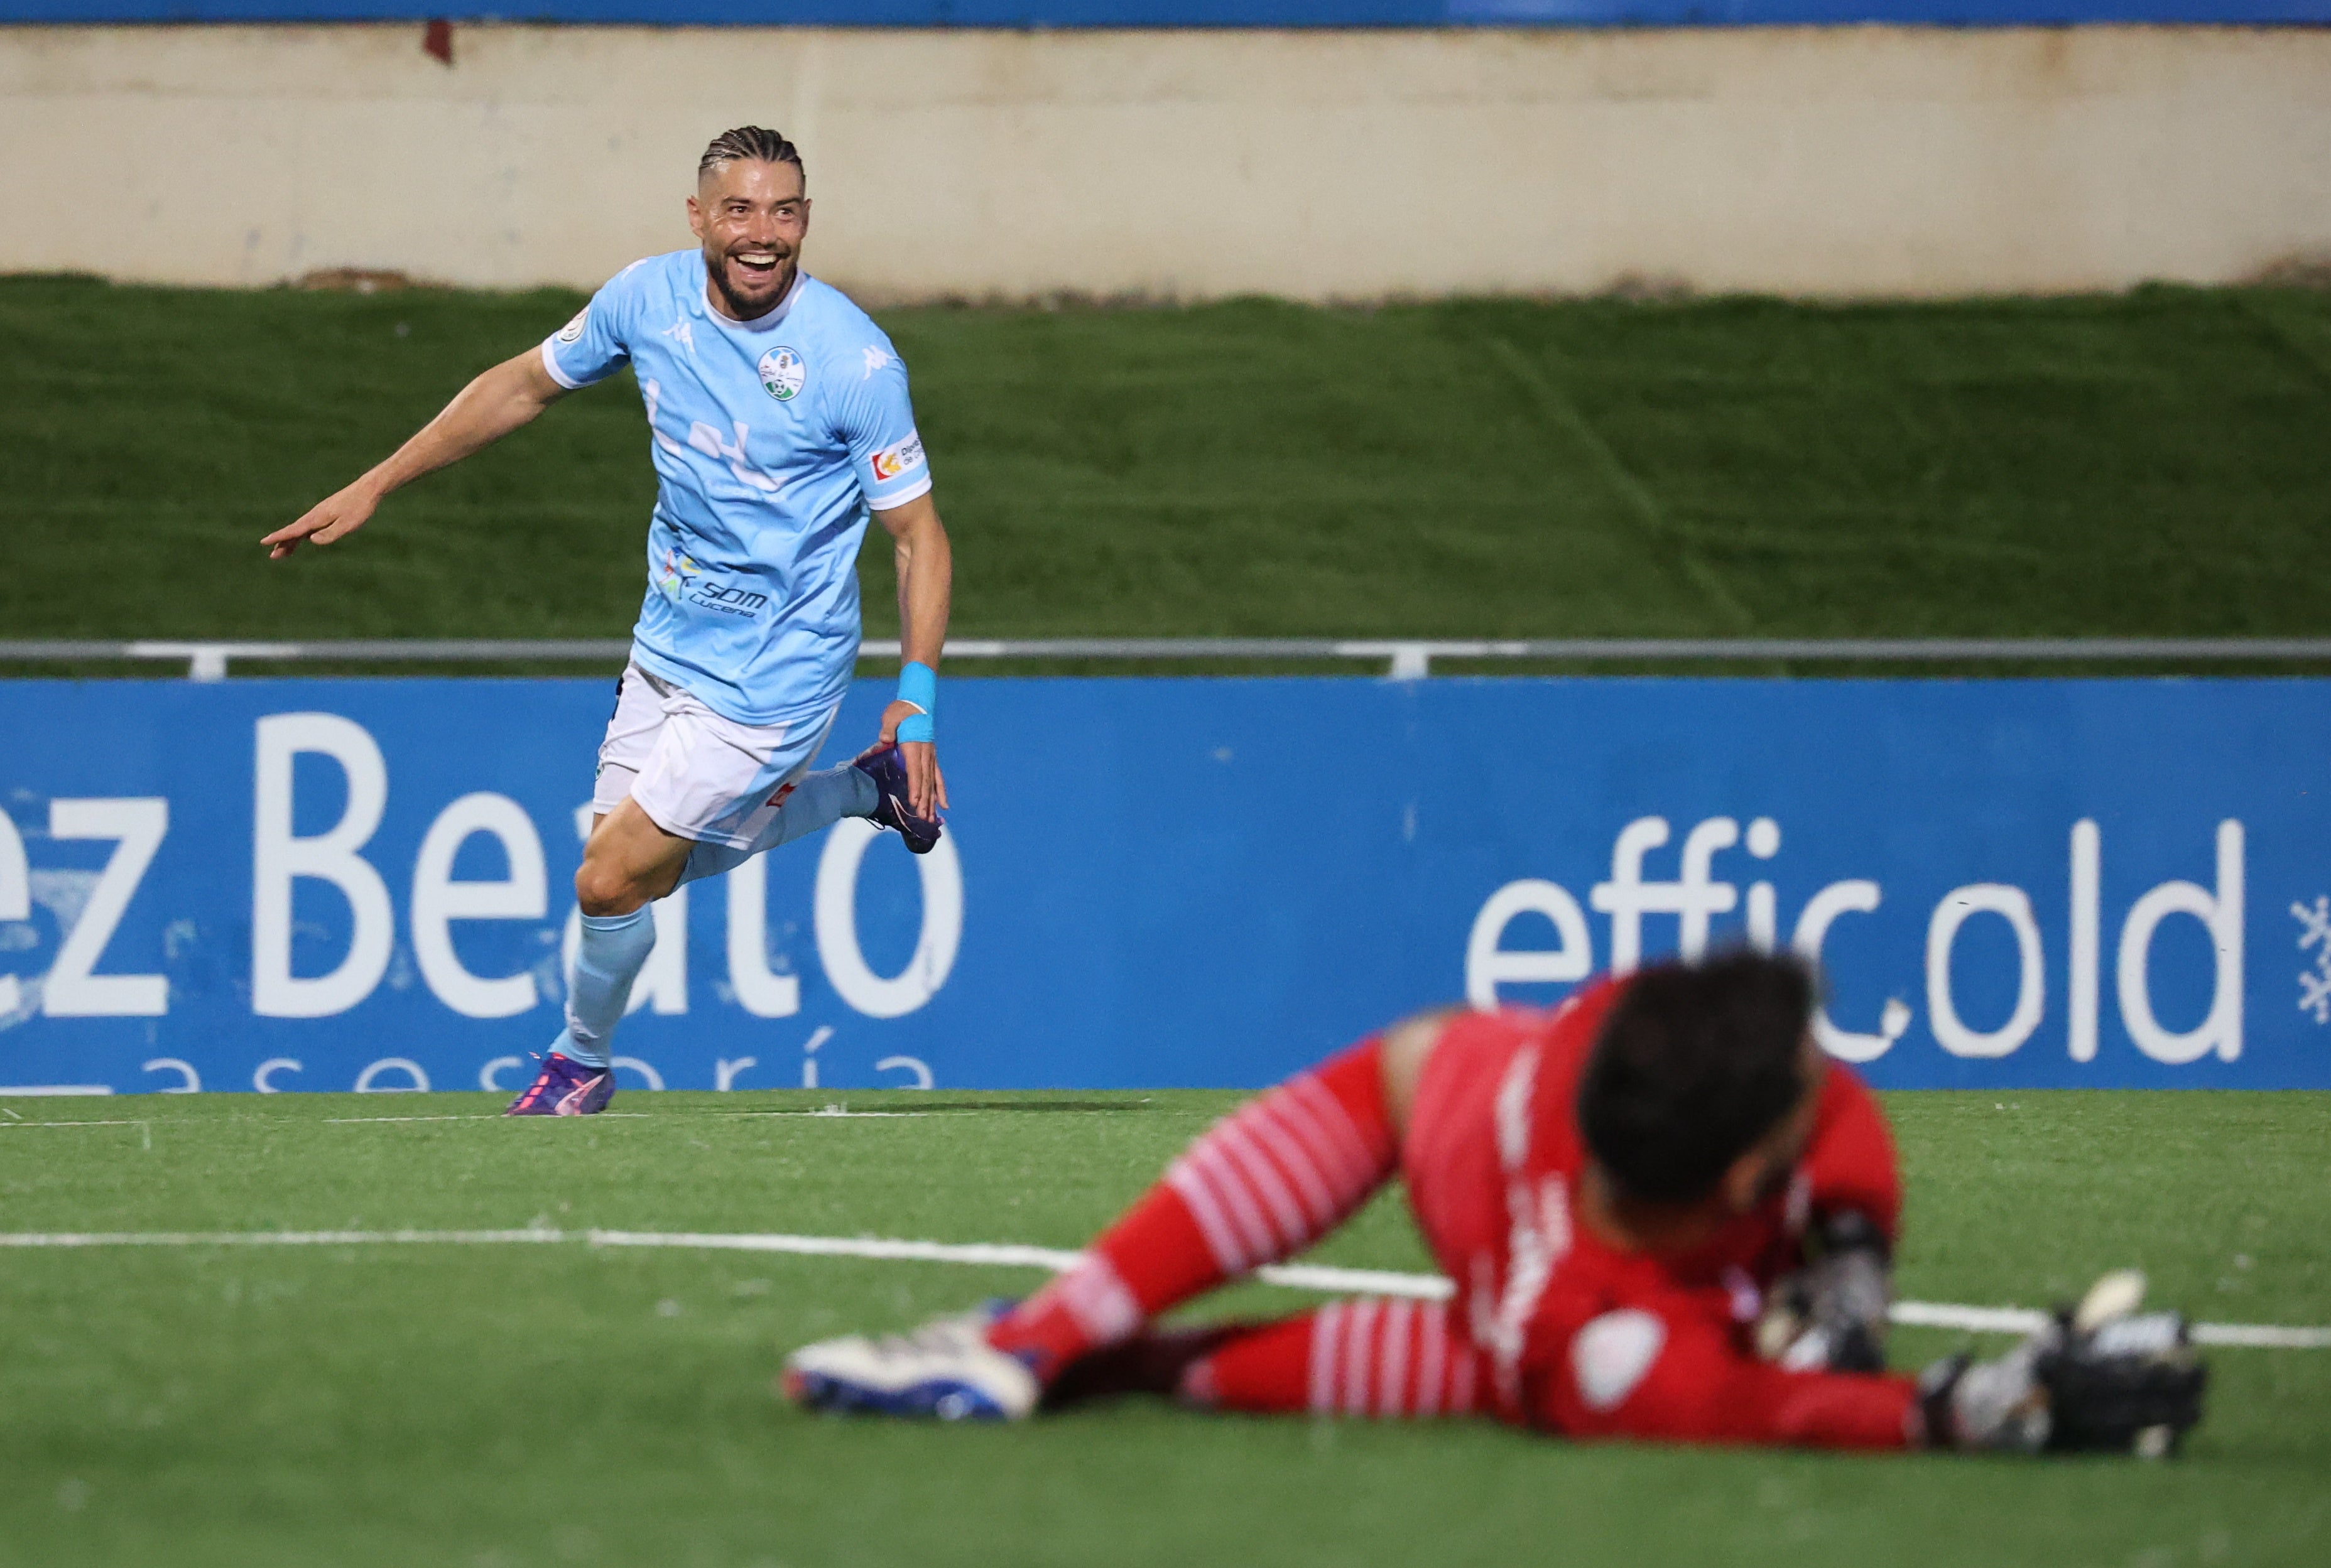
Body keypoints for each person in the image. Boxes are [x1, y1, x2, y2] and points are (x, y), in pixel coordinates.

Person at [783, 952, 2206, 1454]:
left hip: (1471, 1113)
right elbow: (1755, 1411)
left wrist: (1847, 1268)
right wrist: (1964, 1405)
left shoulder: (1631, 1043)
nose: (1828, 1097)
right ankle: (1043, 1338)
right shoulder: (1589, 1344)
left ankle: (1059, 1350)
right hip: (1446, 1167)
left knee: (1199, 1364)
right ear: (1732, 1186)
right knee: (1489, 1368)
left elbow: (1822, 1104)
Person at [264, 127, 951, 1116]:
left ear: (807, 219)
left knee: (606, 877)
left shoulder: (854, 363)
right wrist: (379, 481)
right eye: (741, 210)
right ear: (699, 217)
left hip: (779, 671)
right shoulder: (646, 299)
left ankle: (577, 1063)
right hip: (667, 643)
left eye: (786, 210)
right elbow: (521, 384)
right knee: (634, 880)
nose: (765, 234)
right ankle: (860, 794)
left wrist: (914, 703)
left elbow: (920, 538)